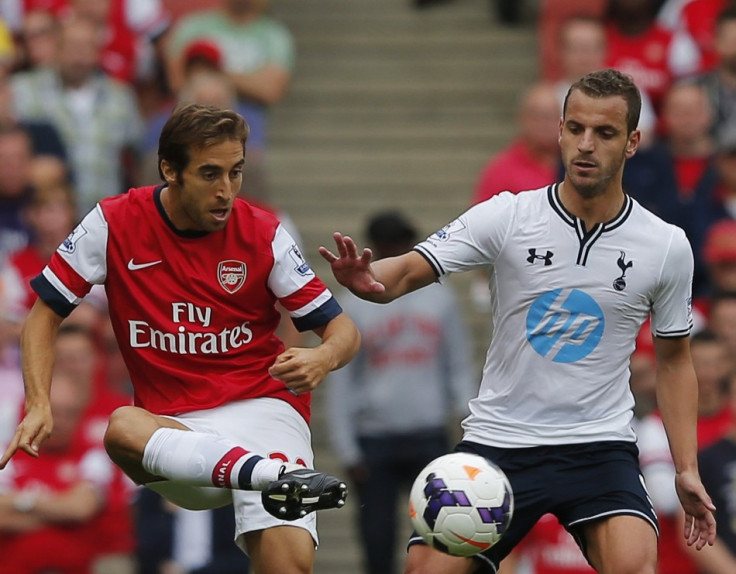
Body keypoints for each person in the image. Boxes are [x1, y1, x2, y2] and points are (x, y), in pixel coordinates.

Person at [319, 68, 716, 573]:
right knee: (427, 571)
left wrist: (685, 468)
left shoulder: (664, 245)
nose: (586, 145)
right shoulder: (508, 216)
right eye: (575, 128)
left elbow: (676, 362)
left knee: (635, 563)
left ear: (633, 141)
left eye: (605, 132)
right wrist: (368, 280)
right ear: (560, 130)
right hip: (500, 441)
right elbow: (404, 272)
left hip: (597, 446)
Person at [0, 103, 361, 573]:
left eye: (235, 173)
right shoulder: (114, 223)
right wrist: (39, 402)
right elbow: (42, 317)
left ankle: (265, 472)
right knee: (123, 428)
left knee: (288, 566)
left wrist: (325, 356)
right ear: (169, 169)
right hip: (177, 432)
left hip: (264, 409)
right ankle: (271, 475)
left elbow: (342, 327)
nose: (226, 191)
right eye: (210, 174)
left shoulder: (264, 232)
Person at [326, 210, 476, 574]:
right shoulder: (354, 305)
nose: (399, 250)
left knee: (439, 539)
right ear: (375, 250)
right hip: (374, 439)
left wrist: (469, 424)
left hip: (428, 434)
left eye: (403, 243)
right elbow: (342, 379)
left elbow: (457, 362)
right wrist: (347, 446)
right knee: (377, 541)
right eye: (391, 244)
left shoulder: (439, 300)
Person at [471, 82, 561, 204]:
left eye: (551, 116)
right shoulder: (500, 172)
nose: (545, 124)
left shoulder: (574, 164)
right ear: (522, 118)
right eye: (538, 116)